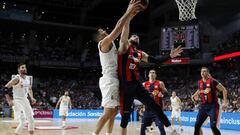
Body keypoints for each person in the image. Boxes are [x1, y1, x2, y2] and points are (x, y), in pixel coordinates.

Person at [118, 13, 183, 135]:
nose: (136, 36)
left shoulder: (140, 53)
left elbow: (156, 61)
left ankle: (170, 129)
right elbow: (124, 31)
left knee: (155, 105)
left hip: (137, 85)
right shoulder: (124, 47)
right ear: (128, 39)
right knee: (125, 118)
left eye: (138, 36)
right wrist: (129, 16)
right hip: (125, 86)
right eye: (133, 36)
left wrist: (169, 56)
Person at [92, 1, 144, 135]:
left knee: (114, 112)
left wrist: (131, 15)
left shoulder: (111, 45)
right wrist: (129, 10)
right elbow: (118, 27)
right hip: (109, 80)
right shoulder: (103, 43)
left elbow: (123, 29)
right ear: (98, 37)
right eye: (101, 31)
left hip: (115, 79)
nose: (104, 31)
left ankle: (108, 134)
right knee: (109, 112)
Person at [1, 63, 36, 135]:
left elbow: (29, 89)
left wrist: (32, 97)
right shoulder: (16, 79)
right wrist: (9, 100)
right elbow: (5, 89)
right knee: (23, 121)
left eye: (25, 67)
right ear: (19, 70)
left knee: (31, 120)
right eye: (22, 67)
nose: (24, 69)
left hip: (25, 100)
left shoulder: (28, 79)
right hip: (17, 101)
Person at [192, 67, 228, 135]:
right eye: (201, 71)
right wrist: (194, 96)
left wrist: (225, 102)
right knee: (197, 125)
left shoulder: (213, 81)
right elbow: (199, 90)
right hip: (203, 106)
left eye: (204, 71)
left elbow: (224, 90)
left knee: (213, 126)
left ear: (208, 73)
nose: (202, 73)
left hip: (213, 106)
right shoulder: (199, 82)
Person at [140, 69, 167, 135]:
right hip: (147, 110)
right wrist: (142, 106)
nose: (152, 73)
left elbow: (166, 92)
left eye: (153, 72)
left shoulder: (160, 83)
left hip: (157, 110)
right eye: (150, 72)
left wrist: (162, 94)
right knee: (142, 128)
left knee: (161, 127)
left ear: (155, 75)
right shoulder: (144, 84)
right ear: (148, 75)